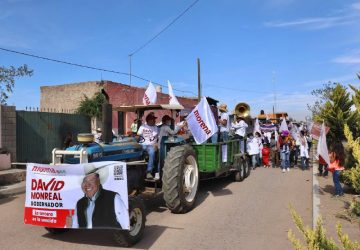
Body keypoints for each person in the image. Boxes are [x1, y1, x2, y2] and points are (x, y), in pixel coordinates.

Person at [137, 113, 159, 179]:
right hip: (142, 144)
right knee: (136, 152)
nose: (155, 121)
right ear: (149, 120)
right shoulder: (143, 126)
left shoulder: (156, 128)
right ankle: (137, 170)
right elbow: (138, 136)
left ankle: (149, 172)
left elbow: (159, 138)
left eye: (155, 119)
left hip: (151, 145)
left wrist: (156, 144)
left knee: (152, 152)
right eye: (153, 119)